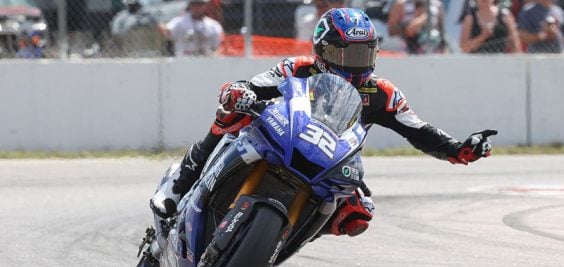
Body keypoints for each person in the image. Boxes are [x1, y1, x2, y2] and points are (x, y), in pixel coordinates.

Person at [151, 8, 496, 237]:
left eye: (363, 54)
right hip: (280, 137)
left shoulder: (382, 93)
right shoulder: (299, 67)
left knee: (359, 214)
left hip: (332, 159)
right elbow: (253, 85)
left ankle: (276, 244)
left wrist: (460, 150)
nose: (355, 64)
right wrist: (238, 92)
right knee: (233, 112)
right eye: (345, 54)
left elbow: (419, 131)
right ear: (323, 50)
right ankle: (182, 181)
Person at [157, 0, 223, 57]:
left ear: (205, 5)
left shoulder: (214, 25)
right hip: (184, 61)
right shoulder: (180, 22)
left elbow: (216, 46)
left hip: (206, 61)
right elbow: (168, 32)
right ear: (190, 5)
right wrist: (161, 25)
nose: (197, 7)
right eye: (194, 4)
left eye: (200, 4)